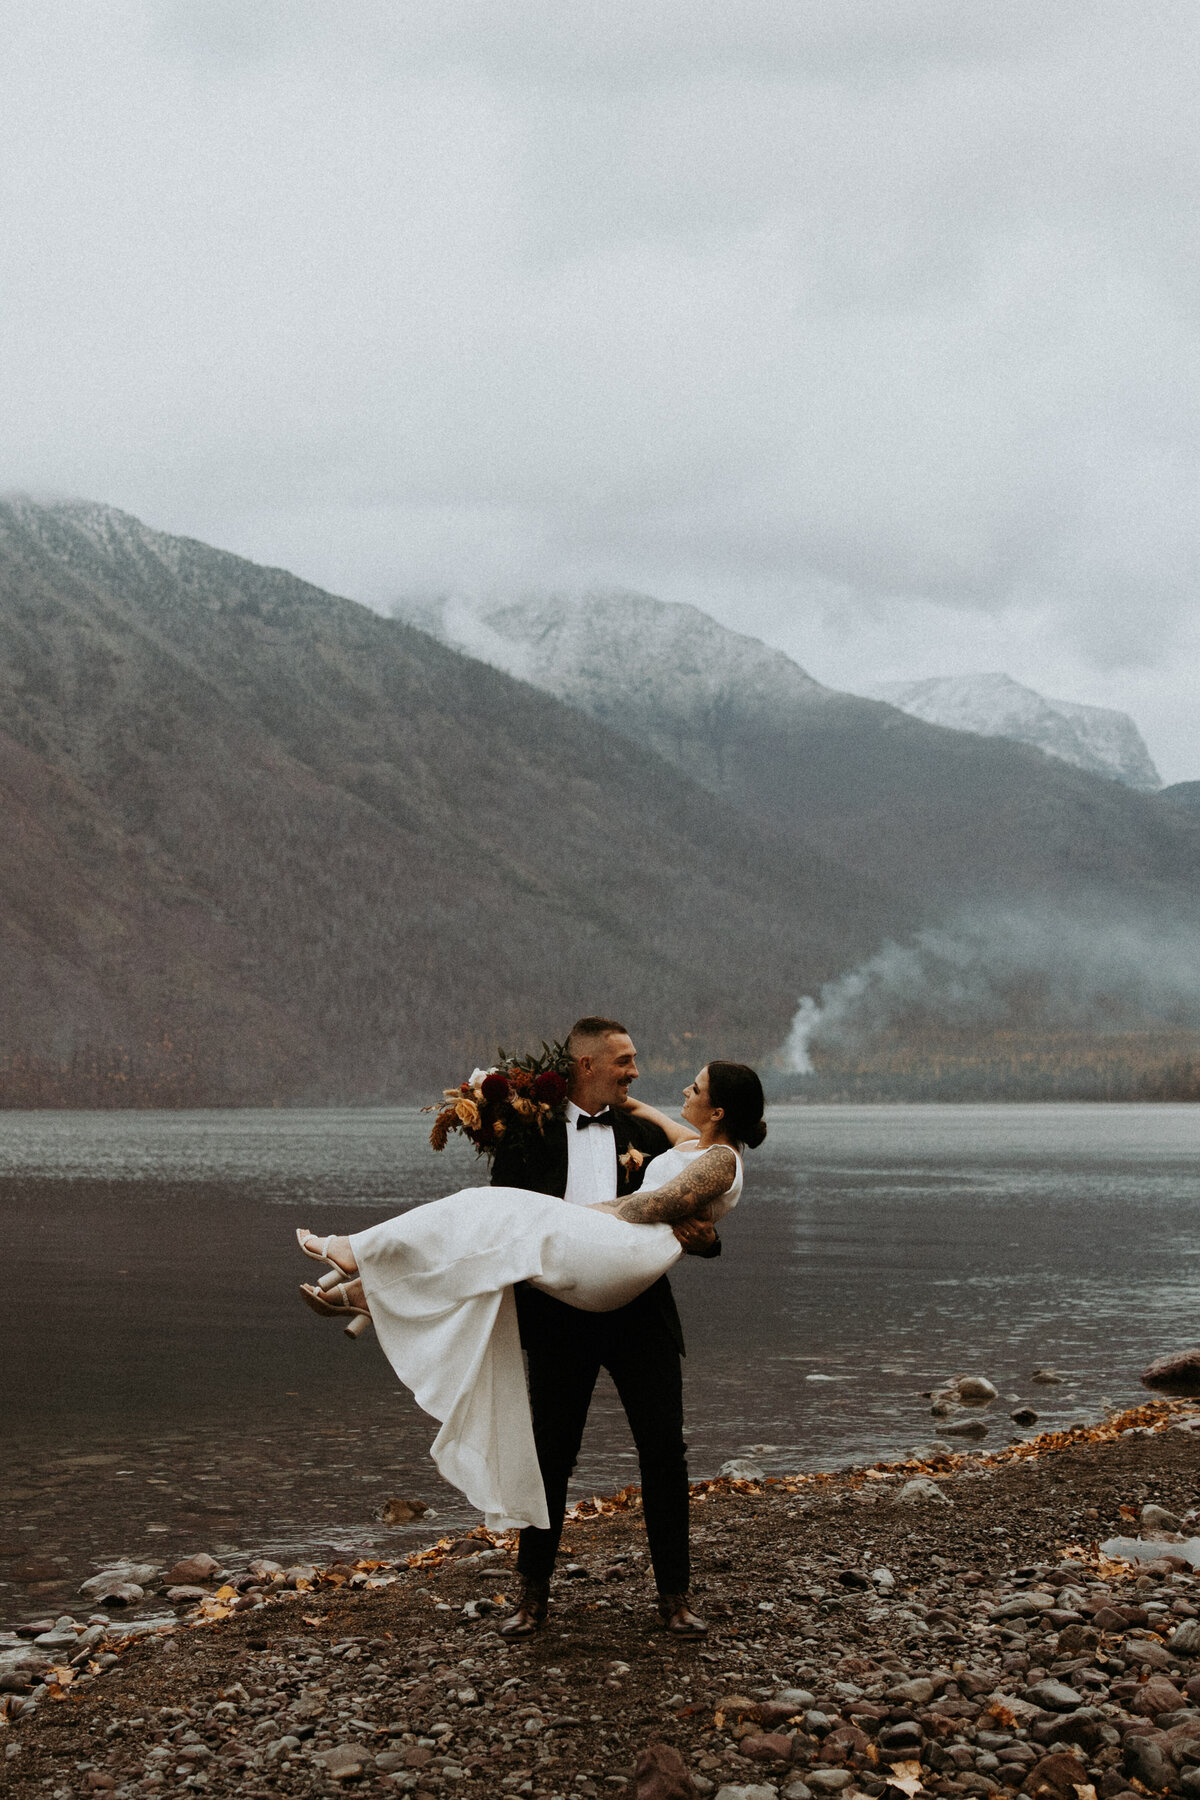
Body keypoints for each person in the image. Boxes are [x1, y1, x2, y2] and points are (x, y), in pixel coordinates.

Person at [295, 1019, 765, 1638]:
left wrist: (705, 1240)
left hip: (639, 1311)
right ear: (586, 1065)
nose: (636, 1073)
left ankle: (675, 1599)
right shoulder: (527, 1134)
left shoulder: (648, 1136)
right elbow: (495, 1241)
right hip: (558, 1310)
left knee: (663, 1454)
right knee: (550, 1454)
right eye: (624, 1061)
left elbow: (692, 1205)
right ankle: (532, 1597)